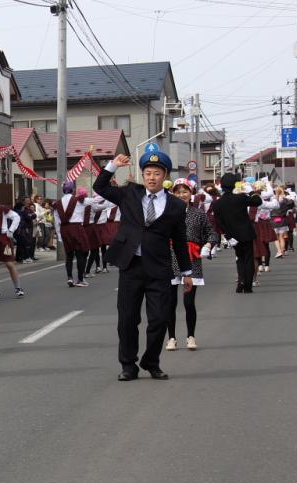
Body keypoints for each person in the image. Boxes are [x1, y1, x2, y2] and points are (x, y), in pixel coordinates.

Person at [93, 145, 192, 381]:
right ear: (142, 175)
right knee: (127, 319)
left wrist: (186, 271)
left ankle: (151, 361)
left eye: (157, 173)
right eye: (148, 173)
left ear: (165, 176)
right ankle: (128, 365)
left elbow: (179, 240)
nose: (151, 178)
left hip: (159, 269)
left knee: (159, 319)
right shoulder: (130, 193)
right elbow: (100, 187)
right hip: (131, 266)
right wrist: (113, 165)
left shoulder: (176, 205)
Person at [165, 180, 219, 352]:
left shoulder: (198, 213)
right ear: (173, 194)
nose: (181, 195)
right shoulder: (166, 213)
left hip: (191, 259)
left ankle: (191, 336)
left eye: (185, 192)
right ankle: (171, 338)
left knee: (189, 302)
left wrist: (208, 245)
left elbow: (211, 232)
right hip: (171, 257)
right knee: (169, 301)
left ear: (191, 193)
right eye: (177, 192)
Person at [212, 173, 263, 293]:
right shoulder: (240, 198)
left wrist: (227, 235)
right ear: (235, 184)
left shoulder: (217, 203)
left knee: (239, 258)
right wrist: (250, 191)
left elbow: (219, 223)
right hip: (246, 233)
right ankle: (248, 285)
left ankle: (241, 281)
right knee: (248, 259)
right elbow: (257, 201)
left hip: (232, 235)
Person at [53, 181, 102, 287]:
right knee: (82, 253)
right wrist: (104, 191)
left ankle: (70, 278)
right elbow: (97, 199)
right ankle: (80, 279)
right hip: (76, 228)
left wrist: (59, 235)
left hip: (64, 229)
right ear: (73, 189)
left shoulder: (57, 203)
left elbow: (56, 221)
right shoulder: (79, 200)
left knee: (69, 255)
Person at [271, 187, 295, 258]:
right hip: (283, 219)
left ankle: (279, 251)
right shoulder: (285, 200)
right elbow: (291, 203)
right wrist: (283, 194)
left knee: (276, 237)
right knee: (281, 237)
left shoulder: (273, 200)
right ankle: (282, 251)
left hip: (274, 219)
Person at [15, 197, 36, 264]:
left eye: (29, 200)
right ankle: (23, 257)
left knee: (27, 243)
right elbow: (27, 217)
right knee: (24, 243)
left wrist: (30, 215)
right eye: (26, 200)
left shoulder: (27, 209)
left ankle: (28, 256)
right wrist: (30, 216)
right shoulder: (20, 212)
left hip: (26, 228)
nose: (28, 202)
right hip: (22, 229)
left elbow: (34, 215)